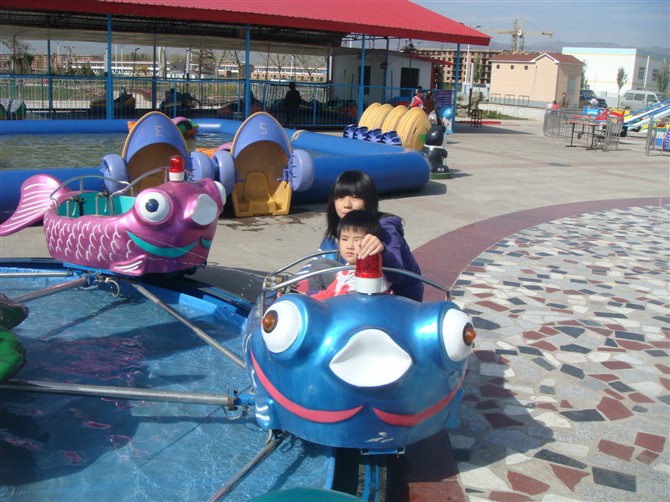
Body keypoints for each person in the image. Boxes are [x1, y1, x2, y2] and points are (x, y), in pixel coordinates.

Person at [308, 170, 424, 302]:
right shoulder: (348, 225)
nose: (347, 204)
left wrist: (383, 252)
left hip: (400, 300)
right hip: (365, 286)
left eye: (355, 197)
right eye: (340, 197)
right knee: (320, 265)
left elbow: (397, 276)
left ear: (368, 201)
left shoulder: (385, 229)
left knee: (320, 269)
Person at [310, 210, 390, 300]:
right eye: (344, 239)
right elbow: (329, 292)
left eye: (357, 240)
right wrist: (308, 297)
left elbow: (342, 301)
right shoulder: (345, 271)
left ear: (370, 243)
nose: (349, 246)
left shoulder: (365, 277)